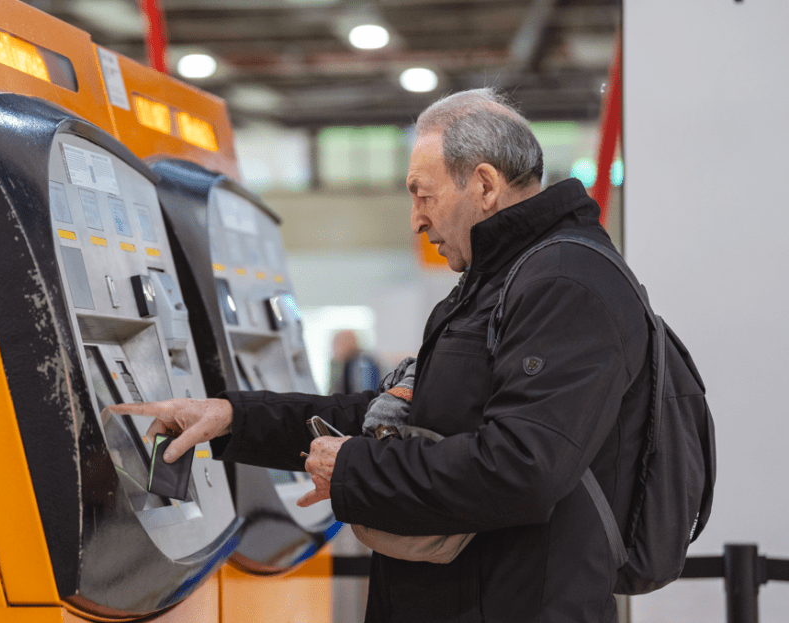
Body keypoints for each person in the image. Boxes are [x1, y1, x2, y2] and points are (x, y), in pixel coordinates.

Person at [110, 88, 651, 622]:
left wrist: (354, 469)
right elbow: (391, 418)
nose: (415, 219)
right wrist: (231, 418)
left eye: (423, 194)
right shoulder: (498, 282)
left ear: (484, 185)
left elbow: (524, 467)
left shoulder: (565, 284)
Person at [328, 329, 382, 395]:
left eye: (338, 343)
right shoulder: (339, 363)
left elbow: (366, 395)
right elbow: (333, 392)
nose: (334, 349)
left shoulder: (365, 363)